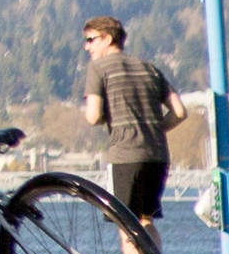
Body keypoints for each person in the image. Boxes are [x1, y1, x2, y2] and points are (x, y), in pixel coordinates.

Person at [79, 16, 185, 224]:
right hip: (157, 155)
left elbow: (93, 116)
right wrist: (152, 128)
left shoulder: (98, 68)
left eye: (91, 40)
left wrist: (106, 118)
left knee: (127, 226)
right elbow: (180, 112)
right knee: (146, 221)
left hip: (126, 155)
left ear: (107, 38)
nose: (86, 46)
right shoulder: (148, 68)